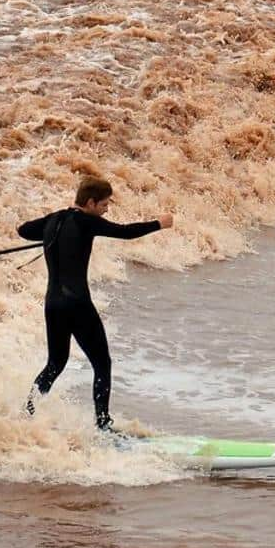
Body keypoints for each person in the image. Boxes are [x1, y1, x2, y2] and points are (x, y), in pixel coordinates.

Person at [18, 177, 173, 432]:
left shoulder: (54, 220)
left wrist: (49, 235)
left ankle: (29, 410)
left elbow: (23, 230)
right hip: (77, 304)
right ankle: (103, 424)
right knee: (102, 363)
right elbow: (125, 232)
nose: (106, 209)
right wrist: (159, 224)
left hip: (53, 304)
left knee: (55, 363)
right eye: (104, 204)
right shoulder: (86, 221)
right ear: (90, 202)